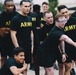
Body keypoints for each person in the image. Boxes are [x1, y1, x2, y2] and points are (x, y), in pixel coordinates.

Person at [10, 0, 39, 75]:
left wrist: (32, 46)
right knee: (18, 68)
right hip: (19, 46)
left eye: (29, 6)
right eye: (25, 6)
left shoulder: (29, 18)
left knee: (25, 66)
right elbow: (13, 34)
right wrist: (17, 48)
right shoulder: (16, 19)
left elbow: (31, 33)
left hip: (28, 46)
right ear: (20, 7)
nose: (27, 8)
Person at [57, 5, 76, 75]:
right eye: (63, 13)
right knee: (68, 66)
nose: (65, 14)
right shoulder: (59, 24)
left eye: (66, 12)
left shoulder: (74, 20)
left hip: (75, 45)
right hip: (65, 47)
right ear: (59, 13)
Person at [0, 0, 17, 67]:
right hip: (3, 41)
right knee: (3, 58)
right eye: (8, 6)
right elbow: (1, 32)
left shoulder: (16, 15)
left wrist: (7, 29)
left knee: (13, 59)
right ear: (5, 6)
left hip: (14, 41)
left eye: (12, 5)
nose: (10, 7)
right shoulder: (1, 16)